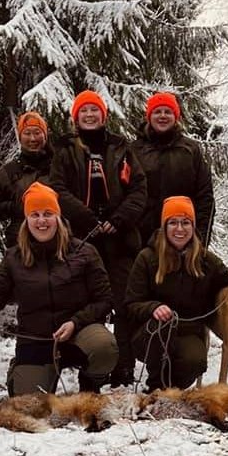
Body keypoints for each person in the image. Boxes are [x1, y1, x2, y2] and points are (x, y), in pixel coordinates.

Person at [0, 182, 119, 395]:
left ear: (58, 218)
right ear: (26, 220)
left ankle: (90, 381)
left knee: (104, 348)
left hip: (78, 333)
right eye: (34, 215)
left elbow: (105, 299)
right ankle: (21, 370)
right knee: (28, 402)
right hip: (37, 338)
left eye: (48, 214)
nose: (42, 221)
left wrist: (75, 322)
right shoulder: (13, 258)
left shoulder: (85, 252)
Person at [49, 90, 147, 387]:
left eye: (95, 111)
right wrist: (88, 218)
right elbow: (58, 188)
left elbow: (139, 189)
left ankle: (124, 367)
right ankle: (92, 366)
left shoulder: (121, 148)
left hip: (119, 239)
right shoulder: (65, 149)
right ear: (76, 117)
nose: (90, 115)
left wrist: (118, 219)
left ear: (103, 115)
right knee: (87, 304)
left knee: (123, 303)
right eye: (84, 111)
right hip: (82, 238)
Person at [126, 196, 228, 390]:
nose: (180, 229)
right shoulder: (146, 258)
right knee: (162, 328)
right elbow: (131, 303)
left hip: (189, 331)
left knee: (195, 363)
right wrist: (153, 307)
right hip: (151, 332)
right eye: (173, 223)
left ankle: (172, 390)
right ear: (164, 226)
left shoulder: (205, 259)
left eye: (186, 223)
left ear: (193, 227)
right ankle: (156, 386)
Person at [130, 92, 215, 244]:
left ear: (176, 117)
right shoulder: (135, 151)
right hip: (142, 237)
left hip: (182, 236)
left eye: (168, 112)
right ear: (149, 117)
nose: (162, 116)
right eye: (157, 112)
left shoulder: (190, 150)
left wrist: (201, 238)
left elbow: (205, 196)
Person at [0, 111, 54, 250]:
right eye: (27, 133)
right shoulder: (9, 171)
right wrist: (17, 207)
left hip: (56, 239)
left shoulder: (58, 166)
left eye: (37, 132)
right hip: (19, 240)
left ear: (45, 135)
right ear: (20, 137)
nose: (32, 138)